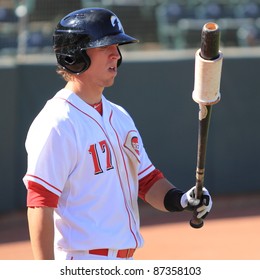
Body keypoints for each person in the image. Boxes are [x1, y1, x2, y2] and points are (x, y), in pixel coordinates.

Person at [23, 7, 212, 260]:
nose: (116, 54)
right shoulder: (57, 122)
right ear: (75, 55)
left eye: (117, 46)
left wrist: (182, 200)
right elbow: (39, 203)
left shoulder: (119, 117)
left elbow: (146, 182)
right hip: (81, 260)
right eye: (105, 47)